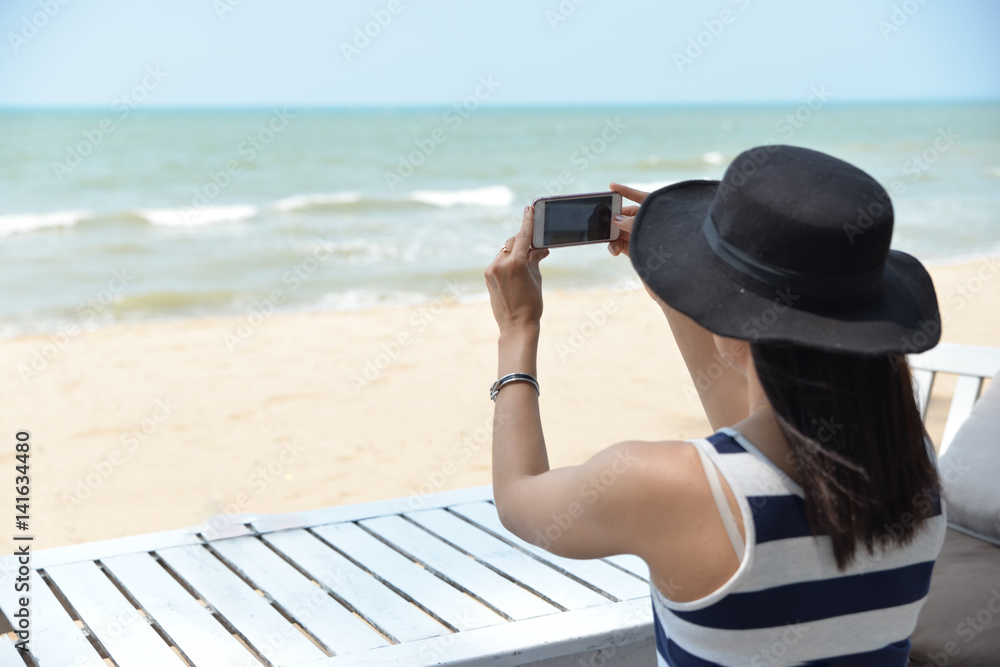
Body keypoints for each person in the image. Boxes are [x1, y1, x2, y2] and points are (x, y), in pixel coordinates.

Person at [483, 145, 946, 666]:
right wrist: (680, 291)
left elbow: (519, 500)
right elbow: (750, 446)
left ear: (735, 328)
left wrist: (517, 328)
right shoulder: (912, 463)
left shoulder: (666, 484)